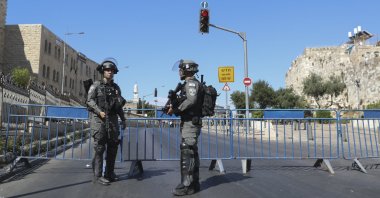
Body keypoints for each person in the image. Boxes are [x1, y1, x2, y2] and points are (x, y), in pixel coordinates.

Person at [86, 58, 127, 185]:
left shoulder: (116, 88)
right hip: (99, 120)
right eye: (108, 70)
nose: (110, 72)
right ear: (103, 71)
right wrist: (99, 111)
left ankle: (109, 173)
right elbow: (89, 101)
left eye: (112, 70)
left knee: (113, 147)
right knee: (99, 148)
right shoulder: (96, 85)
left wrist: (123, 119)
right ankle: (98, 176)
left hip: (113, 120)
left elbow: (119, 105)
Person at [167, 59, 203, 196]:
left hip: (191, 122)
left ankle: (186, 185)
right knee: (191, 150)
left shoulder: (191, 83)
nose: (179, 72)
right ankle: (194, 183)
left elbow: (191, 100)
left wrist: (176, 110)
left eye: (181, 69)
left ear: (187, 70)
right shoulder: (187, 84)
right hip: (189, 121)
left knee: (187, 150)